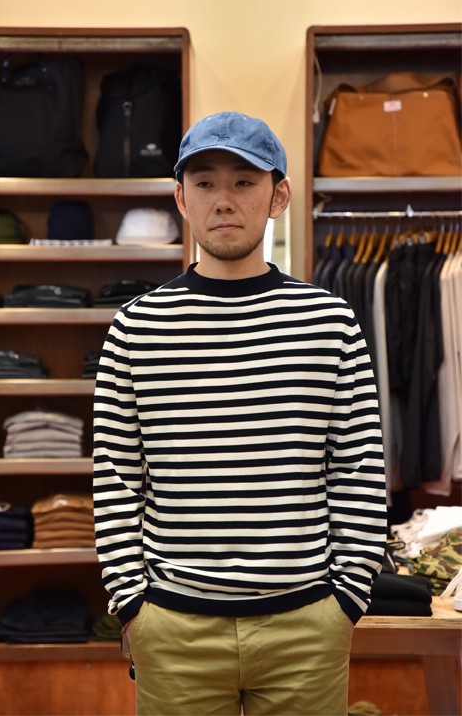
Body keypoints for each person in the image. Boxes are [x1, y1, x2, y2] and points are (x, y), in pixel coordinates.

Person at [93, 111, 387, 716]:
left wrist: (348, 597)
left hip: (306, 625)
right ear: (182, 198)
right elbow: (116, 474)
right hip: (174, 627)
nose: (223, 200)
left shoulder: (329, 322)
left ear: (278, 196)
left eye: (244, 181)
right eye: (204, 183)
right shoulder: (137, 326)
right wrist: (131, 603)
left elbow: (358, 467)